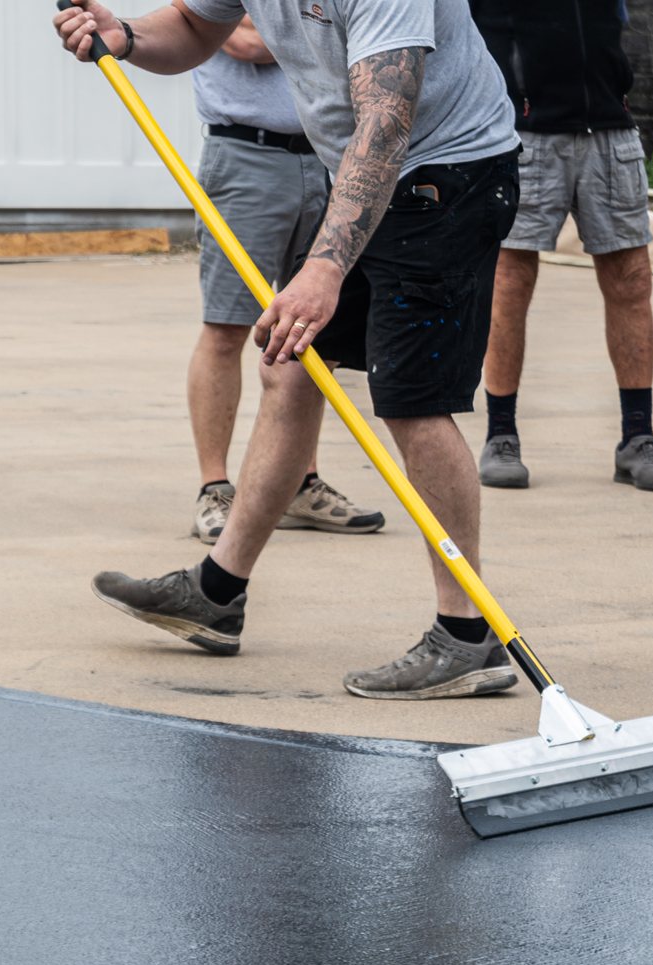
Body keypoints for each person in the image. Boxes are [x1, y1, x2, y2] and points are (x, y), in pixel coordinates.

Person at [56, 0, 526, 699]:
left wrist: (325, 268)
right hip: (364, 175)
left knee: (414, 402)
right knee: (291, 368)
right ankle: (217, 591)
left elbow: (386, 119)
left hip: (444, 176)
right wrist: (126, 36)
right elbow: (197, 26)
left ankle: (465, 635)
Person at [468, 0, 653, 492]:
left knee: (632, 281)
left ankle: (637, 438)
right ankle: (501, 435)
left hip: (609, 128)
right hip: (523, 132)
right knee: (509, 282)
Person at [185, 18, 382, 544]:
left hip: (328, 157)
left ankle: (301, 483)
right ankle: (214, 489)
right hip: (246, 156)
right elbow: (247, 41)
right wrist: (328, 32)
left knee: (309, 332)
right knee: (227, 327)